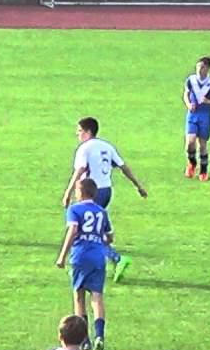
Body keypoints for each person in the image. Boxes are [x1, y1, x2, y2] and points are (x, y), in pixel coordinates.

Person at [61, 117, 148, 283]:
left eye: (79, 131)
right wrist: (138, 186)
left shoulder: (84, 148)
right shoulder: (107, 146)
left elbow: (80, 170)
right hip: (106, 190)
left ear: (88, 132)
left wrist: (68, 192)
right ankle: (103, 259)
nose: (77, 134)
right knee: (93, 230)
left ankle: (115, 259)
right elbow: (123, 167)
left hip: (91, 192)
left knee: (85, 230)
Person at [56, 178, 112, 350]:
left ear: (80, 192)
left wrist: (62, 256)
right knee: (97, 297)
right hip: (98, 257)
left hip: (80, 256)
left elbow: (73, 231)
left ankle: (85, 340)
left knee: (79, 297)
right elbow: (109, 237)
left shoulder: (74, 210)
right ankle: (99, 337)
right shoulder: (102, 212)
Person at [184, 56, 210, 181]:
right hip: (193, 115)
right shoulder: (191, 80)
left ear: (207, 69)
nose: (199, 70)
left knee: (202, 144)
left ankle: (204, 170)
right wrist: (189, 104)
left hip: (205, 115)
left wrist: (208, 101)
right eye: (198, 67)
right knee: (190, 142)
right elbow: (186, 94)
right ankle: (192, 163)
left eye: (202, 67)